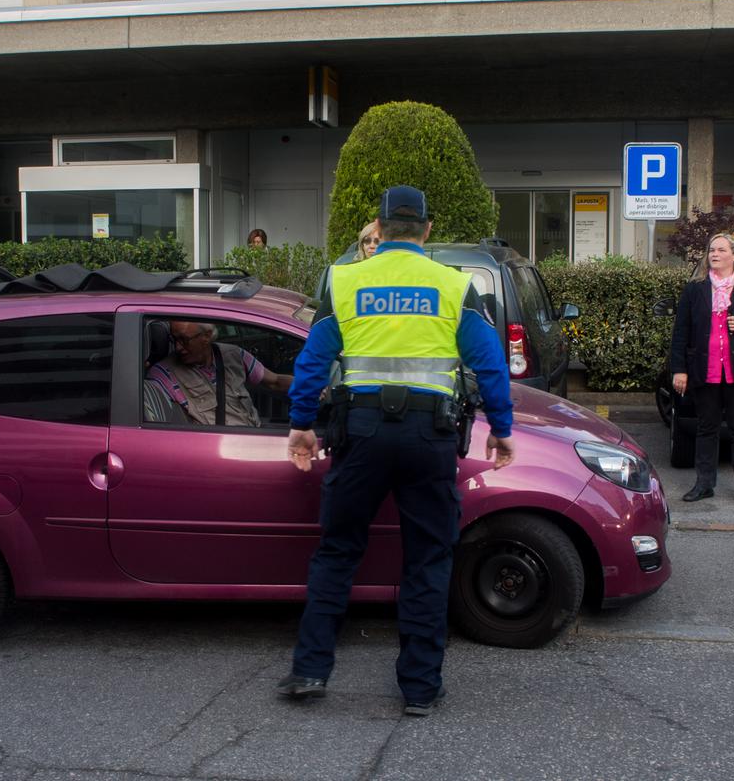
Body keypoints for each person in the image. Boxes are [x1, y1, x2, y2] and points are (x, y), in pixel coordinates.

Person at [278, 185, 515, 716]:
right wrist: (501, 427)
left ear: (378, 230)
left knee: (338, 551)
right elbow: (491, 365)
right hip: (429, 438)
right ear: (428, 231)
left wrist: (300, 425)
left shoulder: (346, 280)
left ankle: (311, 670)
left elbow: (313, 361)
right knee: (428, 558)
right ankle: (419, 688)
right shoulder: (453, 286)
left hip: (359, 434)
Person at [668, 233, 734, 507]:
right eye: (711, 250)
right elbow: (681, 332)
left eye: (720, 250)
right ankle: (704, 484)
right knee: (707, 428)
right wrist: (679, 369)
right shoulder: (695, 288)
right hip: (704, 369)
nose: (714, 254)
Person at [145, 320, 291, 427]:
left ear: (207, 336)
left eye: (184, 340)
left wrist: (311, 385)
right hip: (219, 452)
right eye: (174, 339)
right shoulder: (162, 374)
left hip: (253, 435)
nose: (177, 347)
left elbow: (275, 381)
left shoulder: (234, 355)